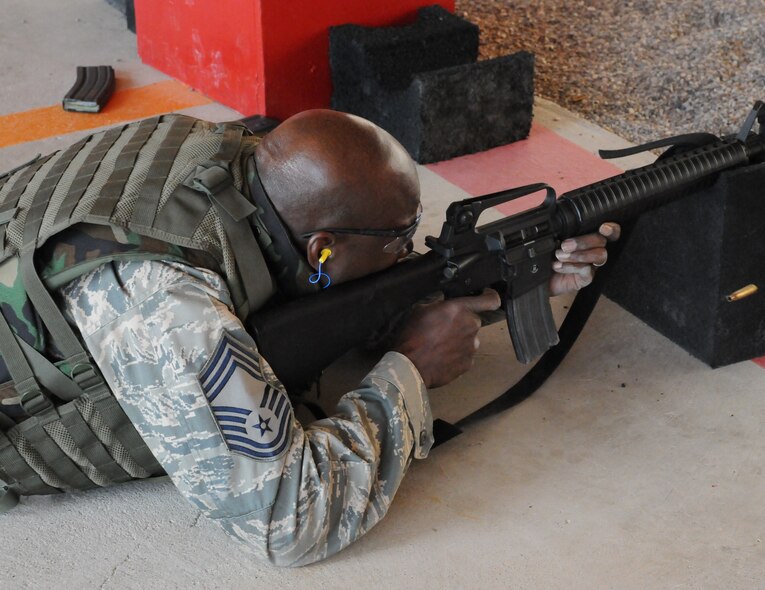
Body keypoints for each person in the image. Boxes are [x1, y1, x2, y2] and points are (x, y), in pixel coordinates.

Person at [0, 109, 619, 565]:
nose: (410, 252)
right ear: (323, 248)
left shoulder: (237, 157)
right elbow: (288, 522)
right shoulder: (167, 310)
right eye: (400, 243)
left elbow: (346, 293)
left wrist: (505, 281)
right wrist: (410, 371)